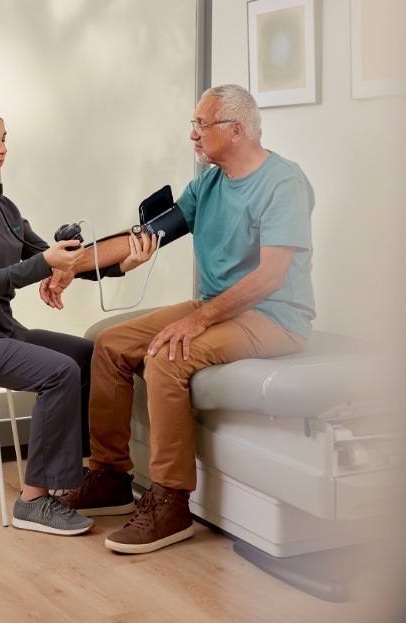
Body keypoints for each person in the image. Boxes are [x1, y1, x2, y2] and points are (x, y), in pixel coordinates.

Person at [56, 84, 316, 553]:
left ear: (235, 130)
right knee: (112, 345)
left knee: (167, 356)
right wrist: (67, 267)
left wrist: (197, 322)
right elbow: (144, 236)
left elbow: (271, 277)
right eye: (193, 125)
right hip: (219, 307)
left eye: (201, 125)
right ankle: (111, 476)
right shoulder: (208, 184)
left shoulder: (284, 183)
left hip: (274, 317)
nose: (192, 135)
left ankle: (171, 502)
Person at [0, 104, 155, 537]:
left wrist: (122, 262)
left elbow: (65, 261)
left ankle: (88, 476)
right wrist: (43, 263)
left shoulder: (1, 206)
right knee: (58, 372)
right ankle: (34, 500)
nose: (3, 149)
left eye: (5, 139)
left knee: (87, 355)